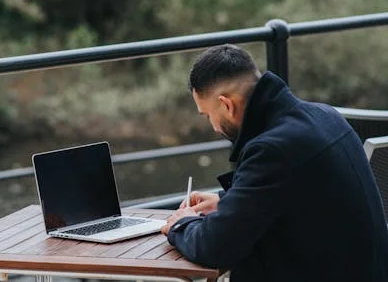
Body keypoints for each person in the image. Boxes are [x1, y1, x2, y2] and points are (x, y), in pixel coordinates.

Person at [161, 44, 388, 281]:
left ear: (227, 105)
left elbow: (216, 246)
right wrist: (225, 201)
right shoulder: (325, 115)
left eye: (208, 115)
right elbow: (296, 196)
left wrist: (181, 224)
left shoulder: (271, 149)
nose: (214, 126)